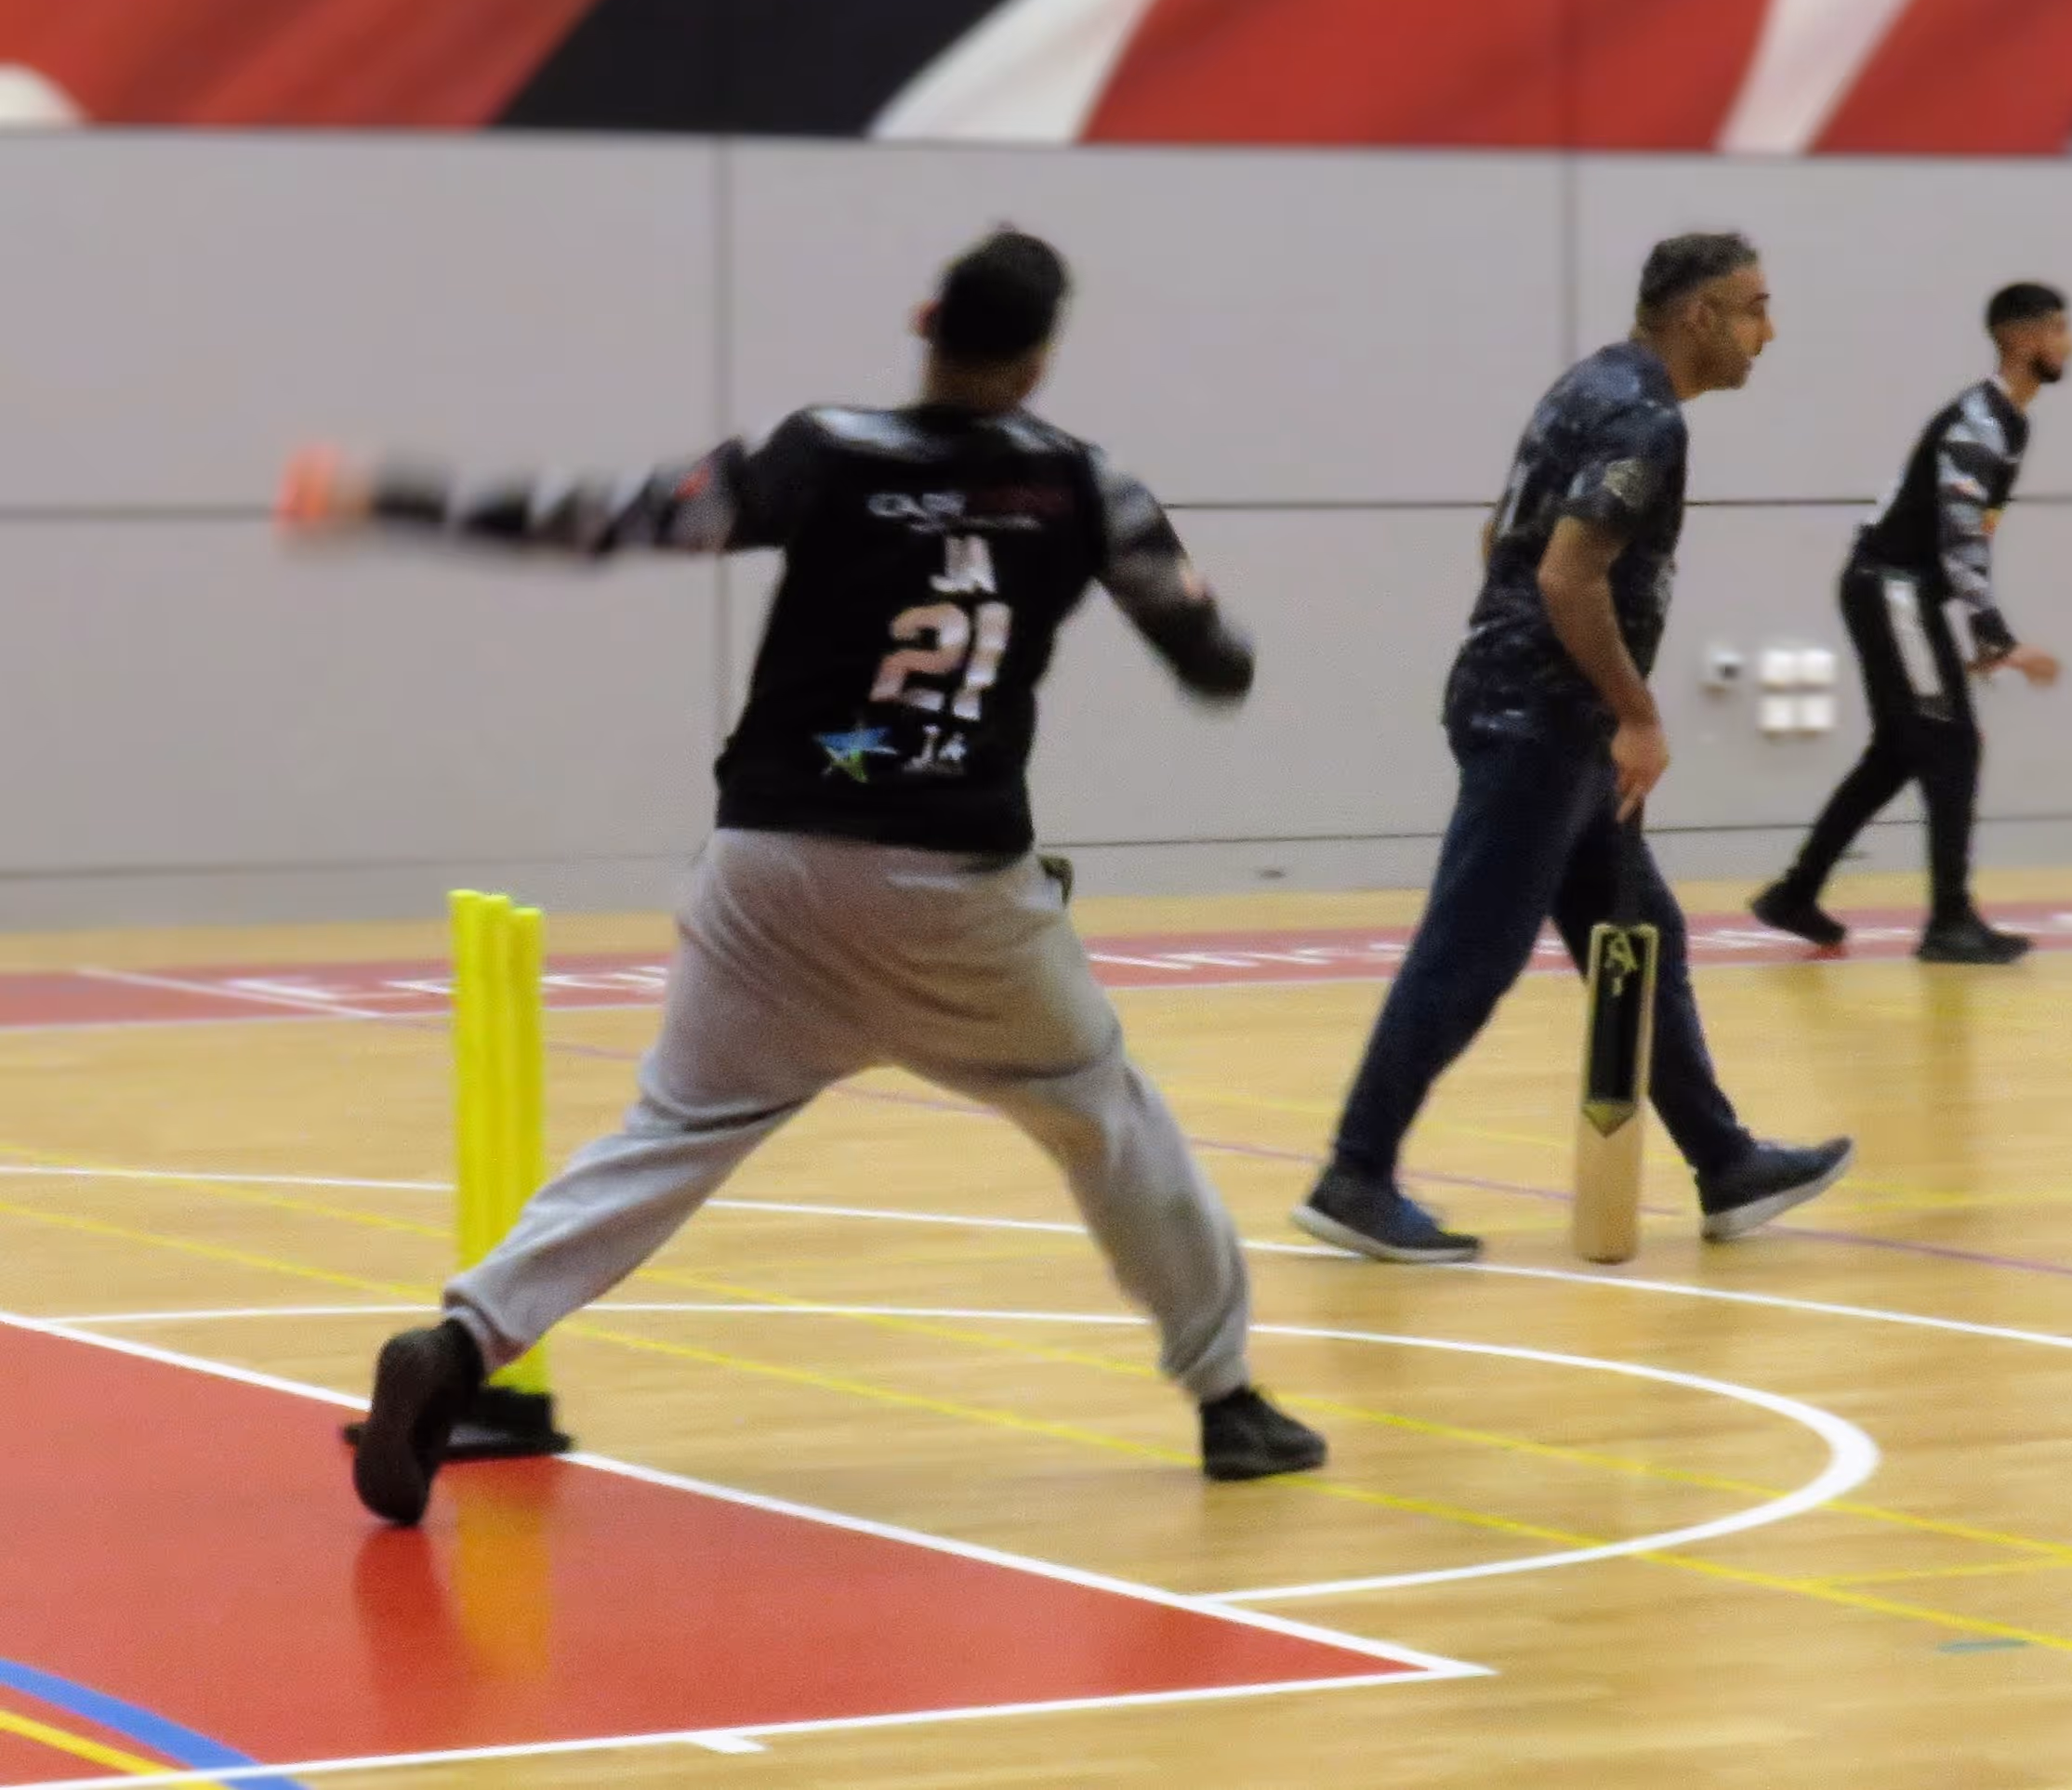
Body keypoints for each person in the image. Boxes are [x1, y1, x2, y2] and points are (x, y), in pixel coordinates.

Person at [283, 229, 1327, 1525]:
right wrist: (1194, 613)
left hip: (769, 867)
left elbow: (610, 519)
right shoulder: (1083, 486)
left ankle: (464, 1341)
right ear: (1039, 358)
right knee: (1100, 1110)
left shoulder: (824, 451)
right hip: (956, 889)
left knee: (674, 1130)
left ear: (924, 319)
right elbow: (1211, 658)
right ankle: (1228, 1401)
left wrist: (399, 497)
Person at [1294, 232, 1854, 1264]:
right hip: (1541, 725)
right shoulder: (1644, 416)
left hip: (1542, 713)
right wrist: (1635, 712)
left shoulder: (1587, 382)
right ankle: (1355, 1172)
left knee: (1639, 932)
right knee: (1472, 951)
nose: (1766, 334)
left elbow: (1499, 540)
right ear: (1699, 317)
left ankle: (1724, 1163)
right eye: (1754, 309)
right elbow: (1565, 574)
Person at [1752, 283, 2072, 965]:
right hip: (1890, 586)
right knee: (1951, 743)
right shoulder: (1982, 421)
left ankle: (1795, 893)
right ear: (2024, 339)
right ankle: (1949, 922)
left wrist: (1979, 630)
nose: (2069, 344)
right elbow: (1960, 533)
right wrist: (1994, 635)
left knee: (1902, 750)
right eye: (2059, 330)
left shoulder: (2009, 421)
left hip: (1902, 591)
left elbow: (1968, 535)